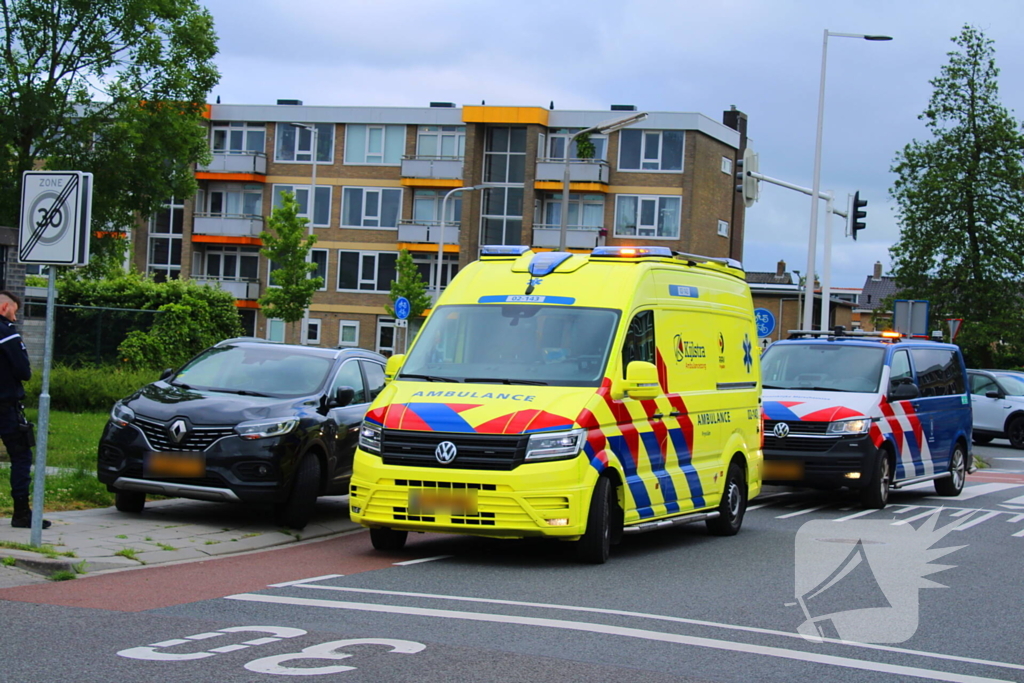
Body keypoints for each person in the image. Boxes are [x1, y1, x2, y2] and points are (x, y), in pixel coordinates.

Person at [0, 291, 49, 529]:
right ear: (4, 308)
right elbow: (24, 372)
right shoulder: (7, 334)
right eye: (15, 311)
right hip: (5, 407)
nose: (15, 316)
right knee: (21, 456)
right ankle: (21, 512)